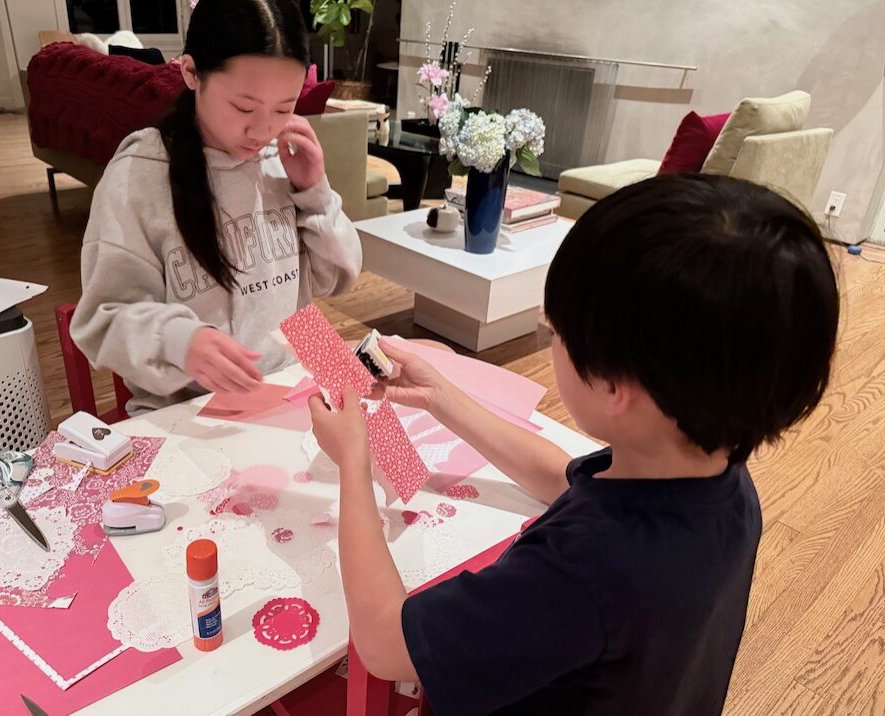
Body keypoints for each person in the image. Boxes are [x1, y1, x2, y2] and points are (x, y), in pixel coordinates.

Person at [309, 173, 840, 715]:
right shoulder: (718, 480)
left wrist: (355, 461)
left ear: (615, 388)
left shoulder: (580, 571)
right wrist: (440, 396)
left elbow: (383, 644)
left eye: (554, 332)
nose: (550, 334)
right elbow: (563, 478)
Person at [71, 0, 361, 415]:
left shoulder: (282, 152)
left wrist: (316, 190)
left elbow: (338, 279)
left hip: (304, 350)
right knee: (312, 476)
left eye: (284, 107)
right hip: (196, 401)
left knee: (405, 457)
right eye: (244, 107)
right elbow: (101, 321)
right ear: (191, 73)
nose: (263, 130)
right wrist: (180, 341)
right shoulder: (139, 174)